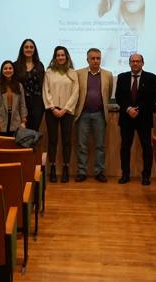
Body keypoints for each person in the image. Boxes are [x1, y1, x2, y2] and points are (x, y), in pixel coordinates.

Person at [115, 53, 156, 185]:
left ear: (142, 63)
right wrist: (128, 109)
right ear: (129, 63)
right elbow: (118, 97)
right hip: (126, 118)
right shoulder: (122, 77)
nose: (135, 63)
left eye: (138, 61)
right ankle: (125, 174)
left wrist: (137, 109)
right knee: (125, 147)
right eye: (133, 61)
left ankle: (146, 175)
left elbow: (152, 98)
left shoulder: (151, 78)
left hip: (143, 118)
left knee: (147, 147)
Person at [74, 48, 114, 183]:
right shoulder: (78, 73)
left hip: (99, 114)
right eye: (93, 58)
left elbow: (108, 94)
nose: (96, 61)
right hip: (83, 114)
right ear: (87, 59)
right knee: (82, 145)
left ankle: (99, 172)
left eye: (98, 58)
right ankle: (81, 172)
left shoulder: (108, 75)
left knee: (100, 145)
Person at [43, 46, 79, 183]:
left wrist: (65, 109)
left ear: (67, 56)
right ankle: (52, 168)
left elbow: (76, 92)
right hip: (52, 111)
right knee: (52, 140)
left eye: (63, 55)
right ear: (55, 57)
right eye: (58, 55)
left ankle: (65, 168)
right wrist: (53, 108)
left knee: (66, 141)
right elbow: (45, 91)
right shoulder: (49, 72)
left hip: (67, 111)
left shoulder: (72, 73)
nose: (60, 57)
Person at [14, 39, 46, 131]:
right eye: (26, 47)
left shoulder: (39, 65)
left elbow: (42, 84)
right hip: (21, 103)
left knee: (33, 131)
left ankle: (32, 146)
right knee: (21, 131)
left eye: (31, 47)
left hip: (37, 104)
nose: (29, 49)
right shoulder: (15, 65)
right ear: (22, 49)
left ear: (34, 50)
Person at [0, 60, 27, 136]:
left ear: (13, 70)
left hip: (15, 121)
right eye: (5, 68)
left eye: (10, 68)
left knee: (12, 146)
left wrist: (23, 121)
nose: (8, 70)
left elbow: (22, 104)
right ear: (2, 71)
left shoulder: (19, 86)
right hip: (0, 122)